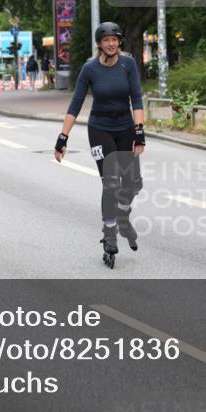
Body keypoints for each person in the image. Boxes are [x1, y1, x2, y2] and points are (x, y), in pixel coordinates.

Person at [53, 22, 146, 268]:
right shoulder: (90, 69)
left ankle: (123, 215)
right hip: (100, 129)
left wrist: (139, 131)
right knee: (111, 182)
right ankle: (110, 232)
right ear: (99, 44)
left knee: (134, 183)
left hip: (126, 128)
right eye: (107, 40)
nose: (112, 44)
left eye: (115, 39)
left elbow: (136, 98)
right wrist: (63, 137)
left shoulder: (128, 64)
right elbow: (75, 104)